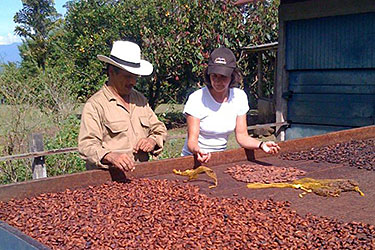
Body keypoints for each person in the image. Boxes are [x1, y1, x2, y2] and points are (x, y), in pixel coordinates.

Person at [78, 40, 167, 172]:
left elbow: (159, 128)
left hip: (141, 175)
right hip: (108, 178)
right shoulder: (95, 105)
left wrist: (152, 141)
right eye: (127, 76)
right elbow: (87, 145)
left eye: (135, 77)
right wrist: (110, 156)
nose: (132, 82)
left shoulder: (140, 99)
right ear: (111, 72)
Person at [181, 47, 280, 163]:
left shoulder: (239, 97)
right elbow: (192, 141)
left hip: (219, 158)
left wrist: (261, 144)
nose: (218, 81)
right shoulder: (197, 99)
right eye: (214, 76)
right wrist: (198, 150)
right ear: (209, 75)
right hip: (193, 158)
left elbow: (242, 137)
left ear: (232, 76)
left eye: (223, 77)